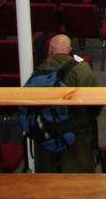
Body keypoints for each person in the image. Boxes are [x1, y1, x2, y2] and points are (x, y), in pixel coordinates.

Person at [20, 34, 99, 173]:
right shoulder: (82, 70)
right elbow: (96, 104)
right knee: (79, 183)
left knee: (49, 184)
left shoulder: (39, 72)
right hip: (76, 141)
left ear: (50, 49)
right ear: (69, 49)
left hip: (45, 140)